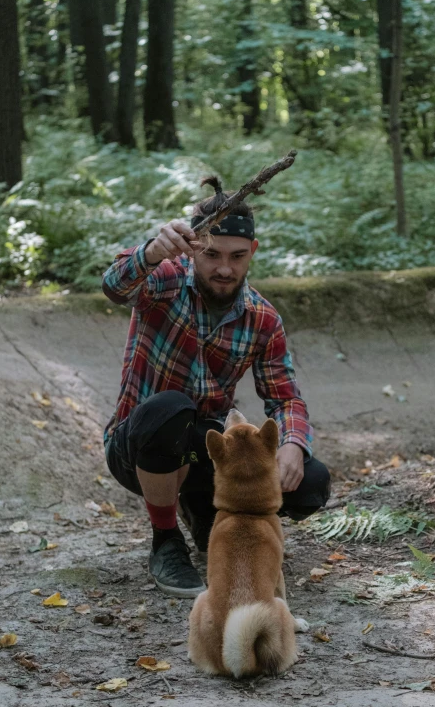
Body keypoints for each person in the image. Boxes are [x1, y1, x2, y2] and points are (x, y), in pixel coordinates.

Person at [101, 177, 330, 599]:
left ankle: (205, 508)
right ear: (193, 250)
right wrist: (152, 251)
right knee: (169, 409)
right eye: (212, 255)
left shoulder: (262, 319)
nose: (224, 268)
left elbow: (285, 397)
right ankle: (165, 540)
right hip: (138, 447)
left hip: (204, 451)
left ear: (252, 254)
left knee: (311, 482)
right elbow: (114, 285)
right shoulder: (164, 280)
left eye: (237, 256)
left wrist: (294, 444)